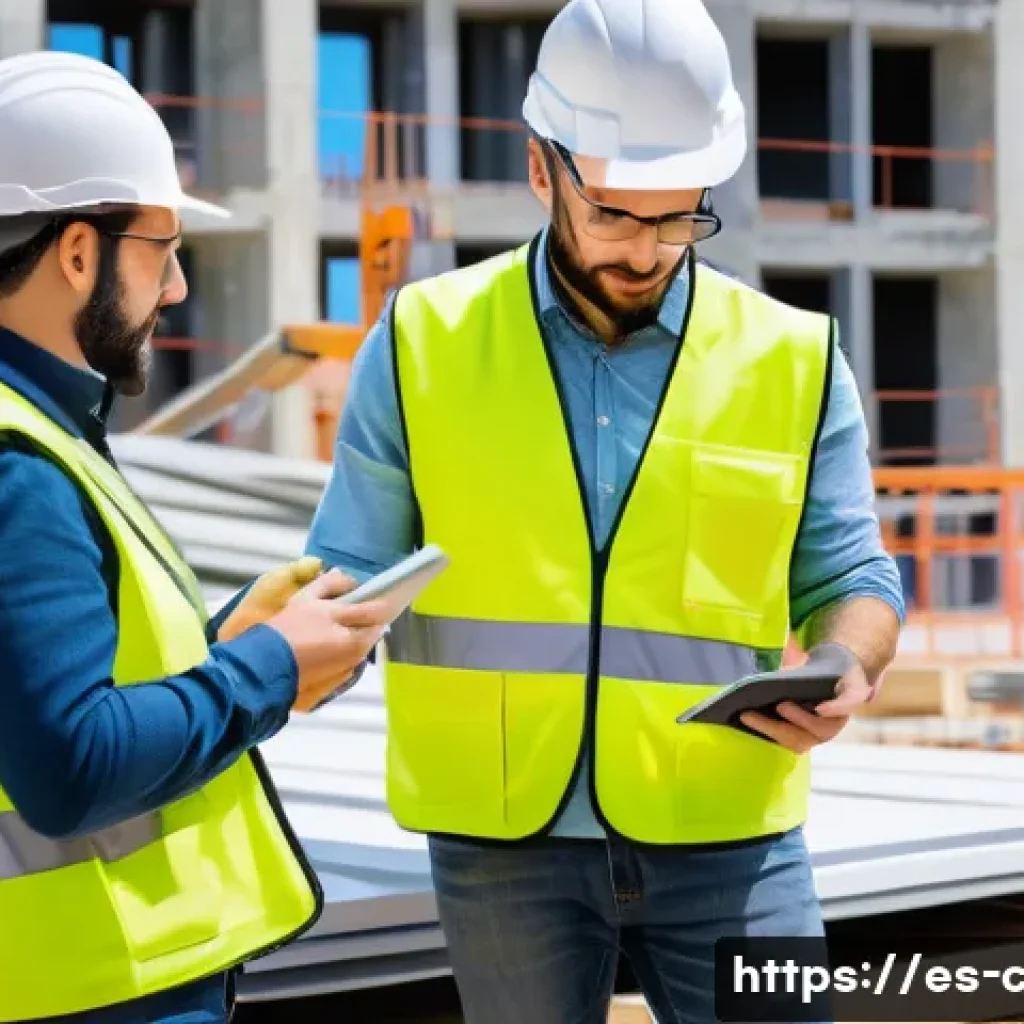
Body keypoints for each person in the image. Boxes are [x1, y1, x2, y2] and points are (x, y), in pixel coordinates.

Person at [305, 0, 906, 1019]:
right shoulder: (422, 340)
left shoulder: (794, 359)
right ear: (542, 170)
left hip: (731, 829)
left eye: (678, 217)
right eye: (617, 215)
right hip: (504, 846)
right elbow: (347, 572)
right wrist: (276, 654)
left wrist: (848, 660)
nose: (646, 250)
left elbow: (853, 576)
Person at [0, 52, 390, 1024]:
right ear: (79, 253)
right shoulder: (20, 467)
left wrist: (223, 643)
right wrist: (267, 671)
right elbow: (69, 766)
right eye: (162, 247)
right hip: (90, 992)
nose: (174, 289)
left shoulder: (43, 434)